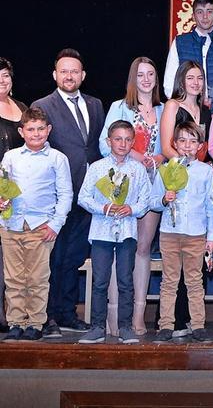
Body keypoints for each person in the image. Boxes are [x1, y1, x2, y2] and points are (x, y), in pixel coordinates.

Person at [32, 48, 106, 338]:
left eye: (74, 71)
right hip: (56, 196)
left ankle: (67, 312)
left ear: (83, 75)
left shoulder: (96, 104)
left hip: (88, 195)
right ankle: (47, 315)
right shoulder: (43, 105)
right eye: (64, 71)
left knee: (74, 257)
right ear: (55, 75)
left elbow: (95, 146)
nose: (69, 76)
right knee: (52, 257)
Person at [98, 57, 164, 336]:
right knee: (119, 249)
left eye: (150, 74)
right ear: (132, 78)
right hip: (123, 188)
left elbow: (172, 146)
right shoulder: (119, 107)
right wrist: (138, 157)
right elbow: (105, 145)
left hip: (153, 188)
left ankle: (137, 315)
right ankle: (113, 317)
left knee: (143, 250)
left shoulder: (165, 109)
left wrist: (160, 156)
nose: (146, 79)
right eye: (140, 74)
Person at [0, 107, 72, 342]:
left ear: (49, 130)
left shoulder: (57, 159)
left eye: (41, 129)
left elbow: (65, 195)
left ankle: (35, 322)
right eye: (30, 129)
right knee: (14, 278)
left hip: (41, 226)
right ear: (21, 131)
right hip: (11, 224)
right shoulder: (11, 157)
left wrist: (55, 225)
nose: (36, 134)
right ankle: (16, 322)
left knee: (37, 278)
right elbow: (3, 184)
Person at [76, 120, 152, 344]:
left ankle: (125, 326)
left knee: (125, 280)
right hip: (101, 232)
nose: (123, 144)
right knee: (100, 281)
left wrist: (132, 208)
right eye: (118, 139)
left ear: (133, 142)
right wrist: (104, 208)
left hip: (127, 231)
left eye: (128, 139)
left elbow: (145, 200)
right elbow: (83, 197)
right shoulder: (98, 167)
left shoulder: (137, 169)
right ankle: (98, 326)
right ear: (109, 141)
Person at [150, 122, 213, 343]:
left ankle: (198, 324)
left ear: (200, 145)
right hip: (170, 232)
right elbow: (153, 202)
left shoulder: (206, 171)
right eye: (182, 140)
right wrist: (164, 199)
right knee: (169, 281)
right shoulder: (167, 168)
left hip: (196, 233)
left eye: (192, 141)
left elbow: (210, 206)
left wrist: (212, 237)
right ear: (174, 143)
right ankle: (166, 324)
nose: (187, 146)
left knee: (194, 281)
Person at [163, 0, 213, 112]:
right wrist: (186, 108)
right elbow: (169, 84)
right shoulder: (180, 42)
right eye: (200, 12)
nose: (205, 17)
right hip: (185, 113)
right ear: (193, 16)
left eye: (209, 11)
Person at [0, 58, 29, 334]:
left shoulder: (21, 109)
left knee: (11, 258)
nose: (2, 81)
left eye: (6, 75)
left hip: (15, 194)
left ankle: (11, 315)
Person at [160, 61, 212, 163]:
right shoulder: (172, 105)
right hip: (178, 171)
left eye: (200, 78)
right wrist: (188, 165)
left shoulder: (205, 111)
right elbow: (166, 149)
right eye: (190, 78)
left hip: (200, 170)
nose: (196, 82)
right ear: (181, 81)